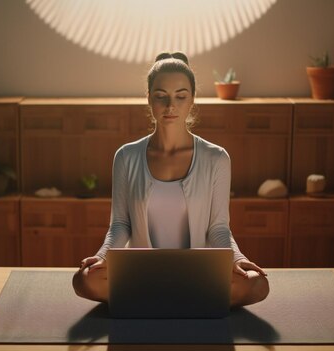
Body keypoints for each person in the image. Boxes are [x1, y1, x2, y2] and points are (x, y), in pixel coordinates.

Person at [72, 52, 270, 307]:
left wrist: (237, 259)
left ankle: (152, 301)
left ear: (192, 100)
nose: (170, 106)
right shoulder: (126, 156)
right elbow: (120, 224)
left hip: (199, 274)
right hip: (140, 274)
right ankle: (187, 302)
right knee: (83, 280)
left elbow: (218, 228)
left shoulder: (217, 158)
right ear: (149, 99)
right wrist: (102, 257)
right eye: (161, 96)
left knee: (256, 283)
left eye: (180, 96)